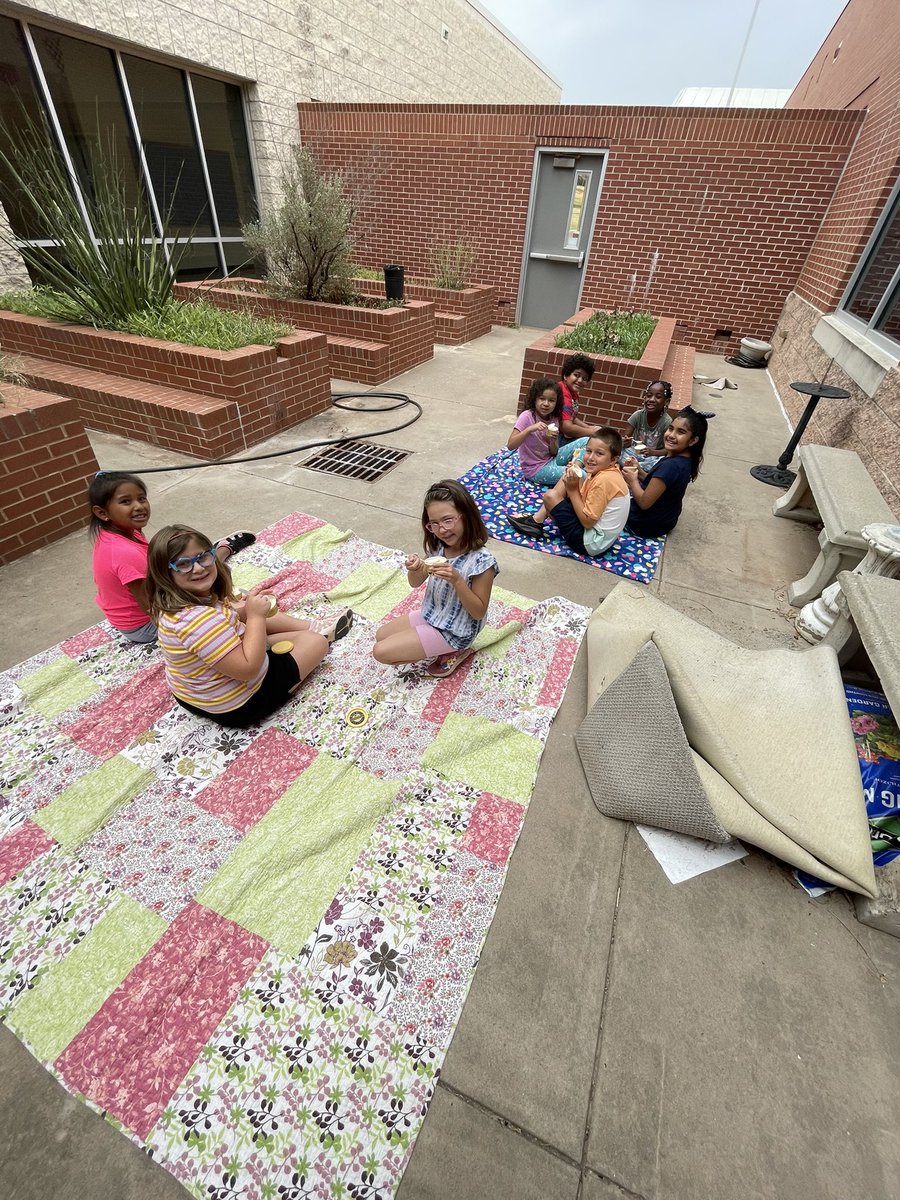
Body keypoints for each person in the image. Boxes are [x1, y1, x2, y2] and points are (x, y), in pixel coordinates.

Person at [147, 524, 353, 727]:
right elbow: (248, 670)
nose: (198, 567)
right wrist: (255, 617)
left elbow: (225, 620)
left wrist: (249, 612)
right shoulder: (198, 622)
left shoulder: (176, 603)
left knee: (252, 610)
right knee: (316, 642)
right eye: (183, 564)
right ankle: (314, 631)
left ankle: (312, 625)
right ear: (165, 573)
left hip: (192, 694)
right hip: (239, 705)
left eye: (202, 557)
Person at [88, 470, 255, 645]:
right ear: (102, 513)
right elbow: (151, 606)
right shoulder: (123, 552)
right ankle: (220, 551)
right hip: (143, 628)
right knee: (210, 586)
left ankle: (212, 554)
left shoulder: (124, 532)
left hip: (138, 610)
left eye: (142, 498)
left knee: (199, 570)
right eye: (125, 502)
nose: (138, 506)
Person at [373, 480, 498, 678]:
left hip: (455, 631)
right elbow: (415, 582)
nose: (442, 530)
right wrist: (415, 568)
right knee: (380, 636)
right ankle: (430, 644)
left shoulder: (482, 561)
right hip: (433, 614)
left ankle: (454, 651)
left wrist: (457, 580)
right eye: (434, 524)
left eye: (448, 520)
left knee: (380, 652)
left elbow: (478, 611)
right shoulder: (439, 547)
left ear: (466, 516)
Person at [509, 427, 630, 557]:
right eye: (588, 451)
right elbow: (589, 498)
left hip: (589, 543)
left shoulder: (604, 480)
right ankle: (536, 520)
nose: (590, 458)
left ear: (613, 459)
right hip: (601, 538)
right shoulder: (608, 471)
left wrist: (572, 490)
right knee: (571, 475)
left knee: (551, 497)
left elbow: (588, 522)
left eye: (599, 454)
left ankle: (536, 521)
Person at [622, 407, 708, 539]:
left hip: (644, 525)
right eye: (671, 428)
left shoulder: (671, 466)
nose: (671, 435)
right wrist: (638, 470)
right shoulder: (685, 460)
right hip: (665, 522)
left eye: (681, 432)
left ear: (693, 440)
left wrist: (632, 480)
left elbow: (644, 503)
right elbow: (656, 484)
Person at [508, 377, 565, 484]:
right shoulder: (527, 416)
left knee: (586, 441)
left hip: (550, 461)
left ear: (556, 402)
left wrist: (553, 441)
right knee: (577, 474)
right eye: (542, 398)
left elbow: (554, 452)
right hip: (535, 470)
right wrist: (529, 429)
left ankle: (574, 467)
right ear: (534, 399)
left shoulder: (554, 419)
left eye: (551, 400)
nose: (546, 404)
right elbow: (510, 445)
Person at [621, 380, 673, 471]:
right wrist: (625, 442)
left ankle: (636, 469)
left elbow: (668, 450)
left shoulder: (667, 422)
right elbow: (625, 437)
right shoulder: (638, 415)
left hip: (653, 458)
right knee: (618, 451)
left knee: (663, 463)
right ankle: (635, 467)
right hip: (634, 454)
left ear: (666, 401)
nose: (652, 400)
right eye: (649, 395)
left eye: (658, 397)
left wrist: (652, 452)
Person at [557, 353, 597, 449]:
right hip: (552, 441)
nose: (580, 380)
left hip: (560, 437)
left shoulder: (572, 392)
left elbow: (572, 417)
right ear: (566, 375)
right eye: (576, 375)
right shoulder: (562, 393)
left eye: (584, 378)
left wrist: (588, 427)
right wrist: (592, 433)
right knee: (590, 444)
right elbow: (567, 428)